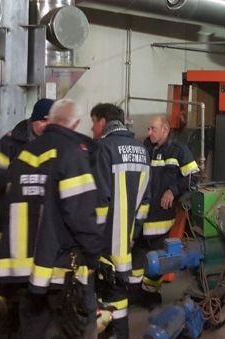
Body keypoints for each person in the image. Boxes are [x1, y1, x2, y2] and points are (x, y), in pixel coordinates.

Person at [0, 98, 103, 339]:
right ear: (75, 124)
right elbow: (80, 214)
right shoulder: (71, 154)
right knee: (77, 328)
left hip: (21, 271)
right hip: (59, 269)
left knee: (30, 330)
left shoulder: (26, 153)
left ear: (51, 120)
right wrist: (95, 255)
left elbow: (6, 205)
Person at [0, 97, 53, 338]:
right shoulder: (11, 142)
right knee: (4, 291)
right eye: (43, 120)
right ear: (34, 120)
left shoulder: (54, 144)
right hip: (7, 232)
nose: (47, 125)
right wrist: (17, 184)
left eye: (51, 121)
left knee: (32, 295)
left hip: (37, 237)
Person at [90, 103, 150, 339]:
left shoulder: (103, 148)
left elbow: (100, 199)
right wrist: (133, 234)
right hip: (126, 241)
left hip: (104, 243)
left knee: (102, 298)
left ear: (103, 122)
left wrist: (92, 238)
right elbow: (145, 201)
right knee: (120, 297)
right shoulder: (142, 150)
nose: (92, 128)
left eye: (93, 122)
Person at [138, 114, 199, 298]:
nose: (149, 132)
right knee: (139, 257)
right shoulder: (144, 148)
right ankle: (137, 290)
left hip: (160, 217)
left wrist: (173, 191)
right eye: (148, 129)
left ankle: (150, 293)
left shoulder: (178, 150)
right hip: (141, 215)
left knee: (157, 257)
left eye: (153, 129)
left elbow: (192, 176)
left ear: (165, 129)